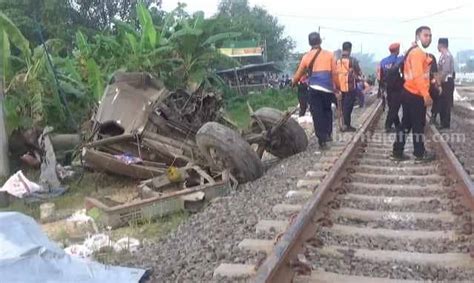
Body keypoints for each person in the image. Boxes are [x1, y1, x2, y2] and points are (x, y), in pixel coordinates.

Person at [392, 26, 436, 162]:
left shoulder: (415, 52)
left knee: (406, 123)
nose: (428, 38)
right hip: (415, 94)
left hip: (408, 92)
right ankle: (419, 153)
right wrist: (426, 95)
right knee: (418, 125)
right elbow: (417, 76)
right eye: (425, 35)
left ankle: (397, 151)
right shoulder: (417, 53)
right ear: (418, 37)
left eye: (430, 35)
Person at [292, 32, 339, 149]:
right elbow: (334, 73)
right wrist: (337, 87)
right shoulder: (330, 55)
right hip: (327, 88)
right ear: (320, 41)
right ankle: (328, 134)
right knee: (327, 110)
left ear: (309, 43)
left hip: (314, 88)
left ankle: (322, 138)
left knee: (317, 113)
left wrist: (293, 82)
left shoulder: (306, 57)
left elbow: (299, 73)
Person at [335, 41, 362, 132]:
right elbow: (358, 72)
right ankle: (347, 125)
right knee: (348, 107)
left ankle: (343, 124)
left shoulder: (337, 61)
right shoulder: (353, 60)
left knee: (342, 107)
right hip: (350, 87)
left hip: (339, 87)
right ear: (350, 49)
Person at [379, 43, 404, 132]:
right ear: (397, 50)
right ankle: (388, 125)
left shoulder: (383, 61)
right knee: (395, 107)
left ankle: (397, 124)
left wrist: (381, 88)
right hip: (397, 87)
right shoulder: (399, 59)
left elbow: (380, 75)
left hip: (387, 87)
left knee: (392, 106)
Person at [437, 38, 455, 129]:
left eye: (438, 45)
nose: (437, 47)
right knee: (442, 103)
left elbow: (445, 71)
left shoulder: (447, 56)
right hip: (443, 82)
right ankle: (442, 122)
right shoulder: (442, 56)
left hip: (447, 82)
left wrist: (438, 81)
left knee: (446, 104)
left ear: (441, 45)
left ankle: (445, 124)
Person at [428, 54, 441, 124]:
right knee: (437, 98)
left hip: (425, 88)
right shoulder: (434, 68)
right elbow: (436, 77)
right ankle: (433, 116)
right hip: (431, 87)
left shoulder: (423, 65)